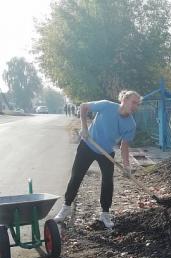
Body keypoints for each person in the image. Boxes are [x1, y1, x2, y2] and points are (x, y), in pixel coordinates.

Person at [54, 90, 141, 228]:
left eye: (138, 104)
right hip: (88, 145)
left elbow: (124, 145)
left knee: (108, 181)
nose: (135, 106)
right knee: (76, 176)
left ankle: (105, 214)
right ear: (124, 100)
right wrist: (84, 128)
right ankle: (66, 207)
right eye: (134, 102)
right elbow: (83, 107)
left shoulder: (131, 124)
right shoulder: (106, 106)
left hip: (106, 152)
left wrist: (127, 166)